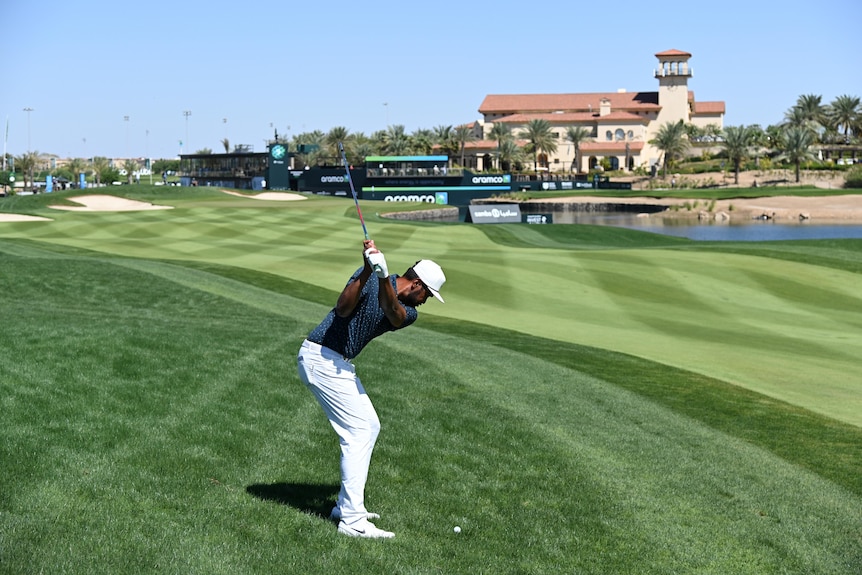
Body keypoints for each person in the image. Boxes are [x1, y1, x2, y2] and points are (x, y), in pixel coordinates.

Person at [297, 240, 445, 539]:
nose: (425, 300)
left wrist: (380, 276)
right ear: (417, 284)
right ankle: (352, 521)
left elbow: (392, 311)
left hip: (337, 363)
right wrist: (366, 269)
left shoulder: (408, 311)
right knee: (359, 433)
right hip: (321, 358)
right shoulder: (373, 275)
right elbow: (342, 309)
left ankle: (345, 506)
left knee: (370, 426)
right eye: (427, 293)